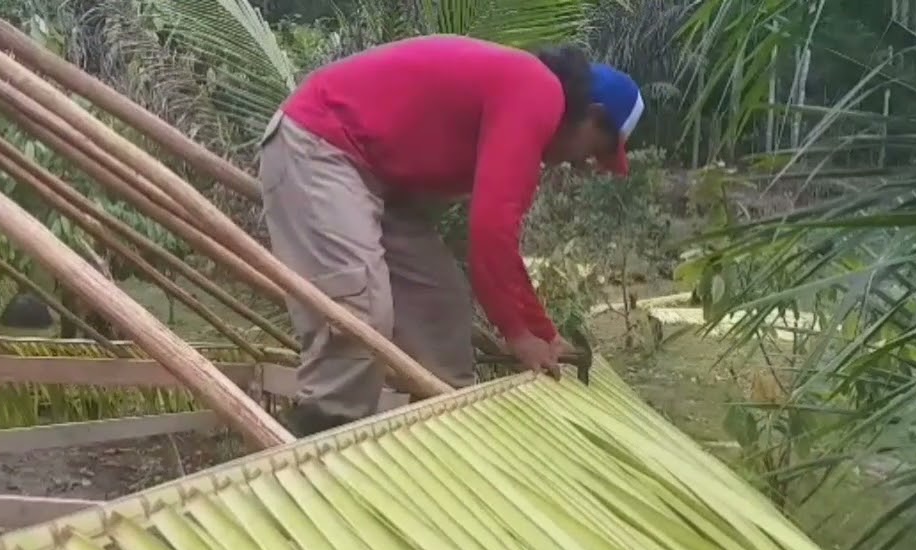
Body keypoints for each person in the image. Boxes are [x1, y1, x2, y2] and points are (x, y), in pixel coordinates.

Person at [259, 35, 644, 437]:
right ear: (593, 115)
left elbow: (498, 241)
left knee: (440, 308)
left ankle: (445, 443)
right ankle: (320, 452)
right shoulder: (538, 92)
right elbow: (491, 232)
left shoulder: (528, 95)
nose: (583, 165)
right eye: (594, 151)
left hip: (379, 179)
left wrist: (544, 333)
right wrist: (518, 335)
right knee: (357, 314)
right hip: (322, 144)